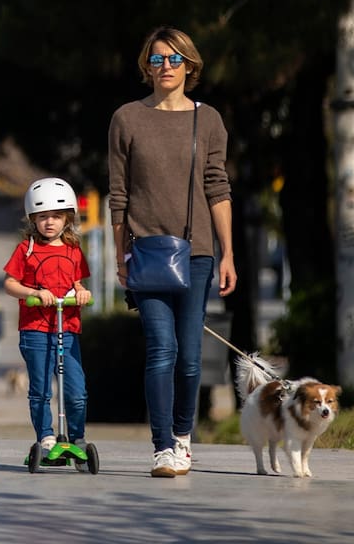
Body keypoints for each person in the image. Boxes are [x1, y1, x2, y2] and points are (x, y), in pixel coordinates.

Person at [108, 25, 237, 478]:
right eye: (158, 59)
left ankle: (184, 436)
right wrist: (118, 252)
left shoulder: (209, 120)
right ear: (147, 65)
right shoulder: (127, 118)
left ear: (190, 66)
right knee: (161, 349)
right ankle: (163, 446)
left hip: (198, 252)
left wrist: (228, 254)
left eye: (175, 59)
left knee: (190, 356)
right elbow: (118, 194)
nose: (166, 67)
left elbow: (218, 189)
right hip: (145, 252)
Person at [2, 178, 92, 456]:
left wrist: (81, 292)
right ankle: (46, 436)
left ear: (67, 218)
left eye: (56, 216)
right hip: (35, 329)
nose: (49, 222)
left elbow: (77, 282)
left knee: (76, 392)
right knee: (41, 390)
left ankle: (76, 437)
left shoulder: (73, 250)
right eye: (43, 217)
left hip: (67, 328)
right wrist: (34, 292)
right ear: (33, 219)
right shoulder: (25, 249)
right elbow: (10, 284)